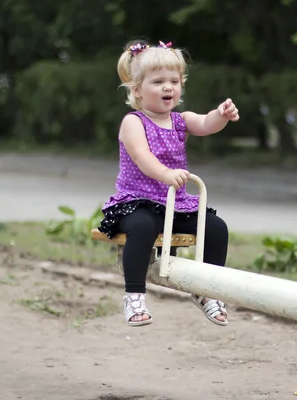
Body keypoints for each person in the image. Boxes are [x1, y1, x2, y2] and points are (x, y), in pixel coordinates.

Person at [97, 39, 239, 327]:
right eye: (158, 81)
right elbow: (142, 156)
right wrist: (165, 174)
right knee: (143, 226)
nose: (168, 87)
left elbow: (205, 123)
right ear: (137, 90)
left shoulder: (180, 121)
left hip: (175, 204)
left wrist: (221, 116)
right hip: (137, 202)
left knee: (216, 228)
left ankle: (207, 291)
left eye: (174, 81)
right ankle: (134, 295)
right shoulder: (133, 122)